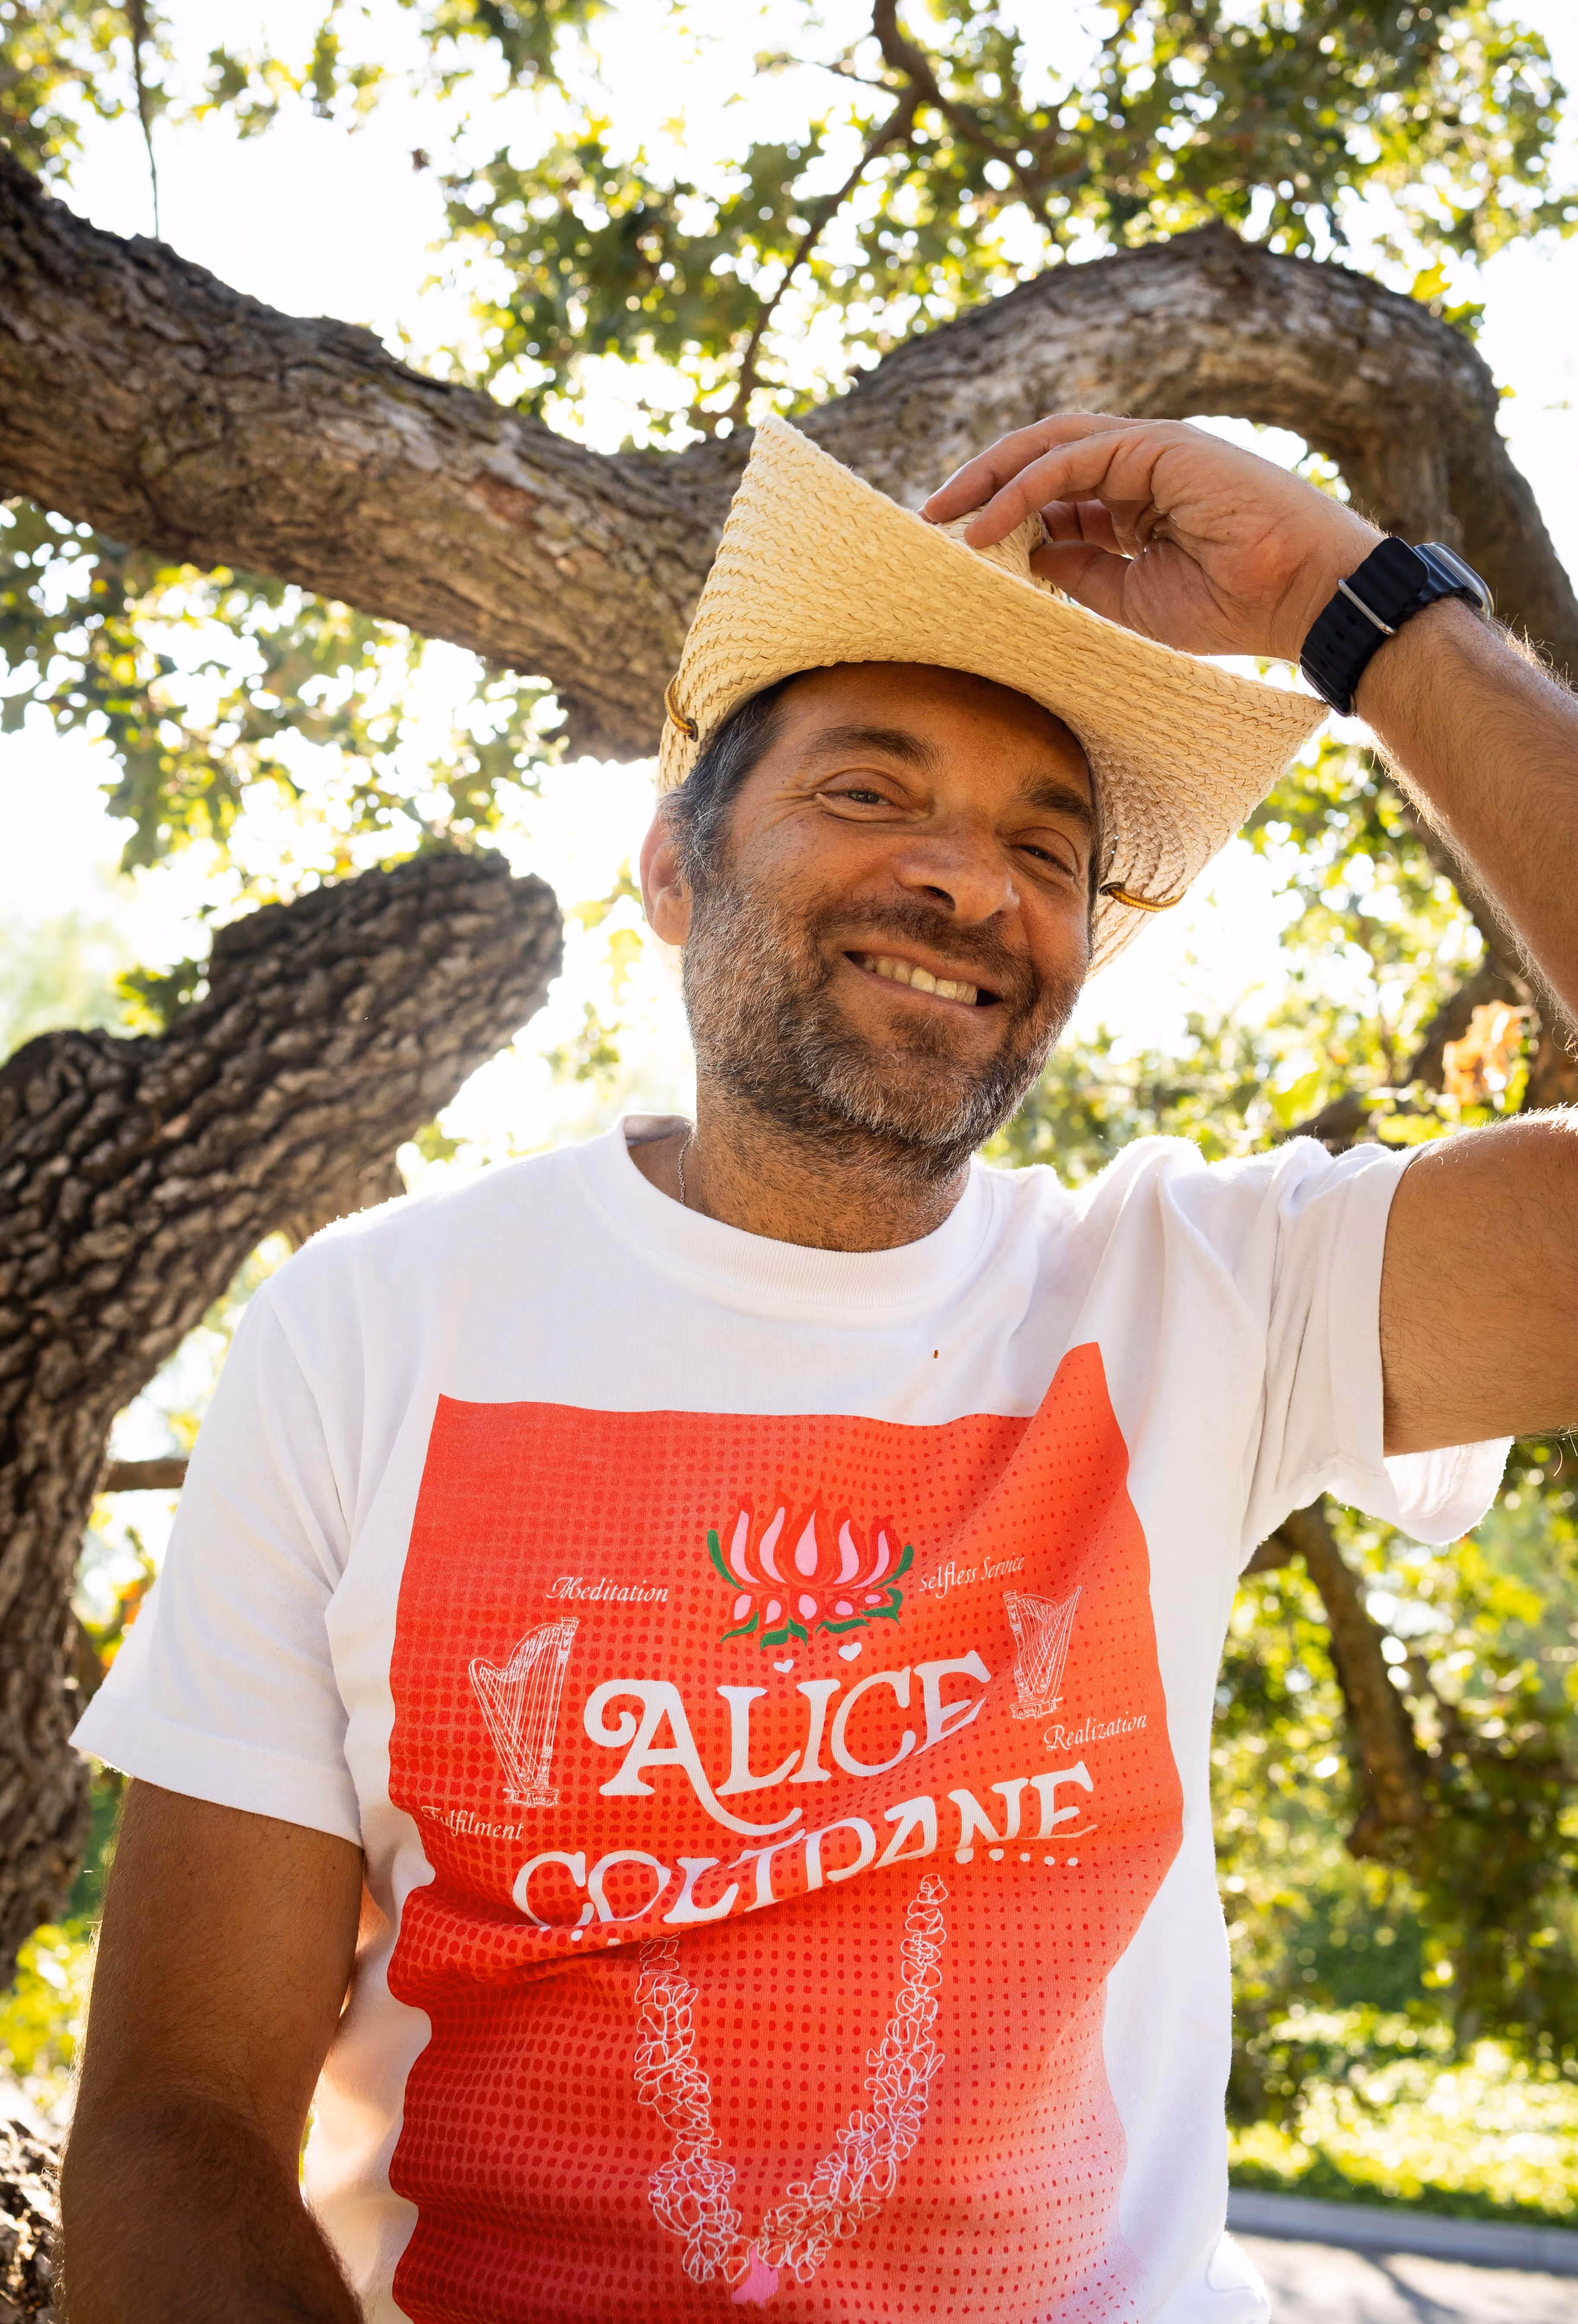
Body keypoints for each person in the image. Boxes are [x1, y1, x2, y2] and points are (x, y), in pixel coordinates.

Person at [60, 409, 1578, 2324]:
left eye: (1051, 846)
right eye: (872, 793)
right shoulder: (373, 1328)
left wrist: (1356, 608)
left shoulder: (1213, 1294)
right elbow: (176, 2123)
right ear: (675, 876)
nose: (972, 881)